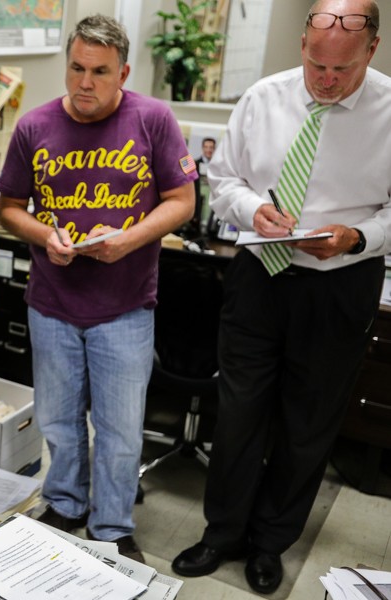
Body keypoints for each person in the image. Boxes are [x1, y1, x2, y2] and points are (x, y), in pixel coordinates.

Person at [172, 0, 390, 594]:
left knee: (307, 424)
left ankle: (270, 544)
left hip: (340, 284)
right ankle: (221, 535)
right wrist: (254, 211)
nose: (324, 79)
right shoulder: (263, 98)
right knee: (239, 414)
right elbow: (224, 184)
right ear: (303, 45)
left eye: (340, 71)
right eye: (316, 64)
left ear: (370, 51)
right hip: (259, 277)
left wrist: (358, 238)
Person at [0, 14, 196, 563]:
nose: (85, 82)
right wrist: (45, 234)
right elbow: (9, 208)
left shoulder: (153, 119)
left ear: (124, 72)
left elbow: (183, 201)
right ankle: (65, 502)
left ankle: (111, 525)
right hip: (53, 301)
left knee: (119, 430)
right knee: (59, 421)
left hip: (125, 305)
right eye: (77, 68)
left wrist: (129, 239)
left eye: (100, 72)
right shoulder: (34, 126)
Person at [194, 137, 217, 232]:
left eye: (211, 147)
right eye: (206, 147)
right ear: (202, 148)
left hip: (211, 201)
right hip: (196, 201)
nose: (208, 150)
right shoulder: (193, 163)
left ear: (214, 149)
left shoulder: (217, 166)